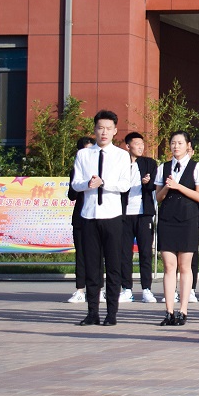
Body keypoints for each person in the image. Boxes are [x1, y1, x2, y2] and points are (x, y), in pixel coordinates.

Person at [70, 110, 140, 326]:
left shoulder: (121, 155)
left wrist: (104, 183)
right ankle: (92, 312)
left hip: (112, 216)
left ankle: (111, 313)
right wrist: (88, 184)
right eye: (100, 128)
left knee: (113, 265)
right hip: (89, 215)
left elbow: (125, 185)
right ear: (94, 129)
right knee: (92, 266)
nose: (104, 132)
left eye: (108, 129)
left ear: (115, 131)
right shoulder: (84, 155)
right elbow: (75, 184)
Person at [155, 131, 199, 326]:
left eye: (180, 143)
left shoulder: (196, 166)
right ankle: (169, 311)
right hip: (167, 219)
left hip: (187, 219)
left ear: (188, 146)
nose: (176, 146)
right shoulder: (163, 167)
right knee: (169, 266)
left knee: (185, 266)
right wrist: (167, 187)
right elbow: (158, 197)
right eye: (173, 143)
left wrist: (178, 186)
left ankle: (183, 310)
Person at [120, 132, 158, 304]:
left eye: (142, 144)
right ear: (128, 146)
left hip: (144, 214)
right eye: (137, 144)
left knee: (145, 252)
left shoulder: (149, 163)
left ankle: (146, 289)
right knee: (124, 253)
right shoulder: (120, 164)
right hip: (123, 214)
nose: (141, 147)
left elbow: (155, 185)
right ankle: (126, 289)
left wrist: (147, 182)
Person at [66, 135, 96, 304]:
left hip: (97, 216)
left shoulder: (102, 170)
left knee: (98, 255)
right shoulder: (75, 172)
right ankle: (80, 290)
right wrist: (83, 184)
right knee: (81, 255)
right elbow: (72, 195)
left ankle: (98, 290)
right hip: (80, 217)